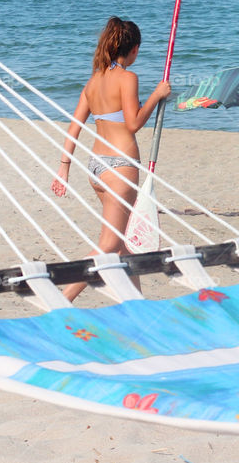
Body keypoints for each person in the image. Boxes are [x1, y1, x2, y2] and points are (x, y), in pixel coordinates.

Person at [50, 17, 170, 302]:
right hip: (121, 168)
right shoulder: (128, 79)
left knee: (122, 245)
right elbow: (133, 123)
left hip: (97, 167)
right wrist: (156, 95)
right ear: (134, 49)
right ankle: (61, 301)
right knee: (108, 244)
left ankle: (138, 305)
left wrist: (64, 166)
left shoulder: (94, 81)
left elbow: (74, 126)